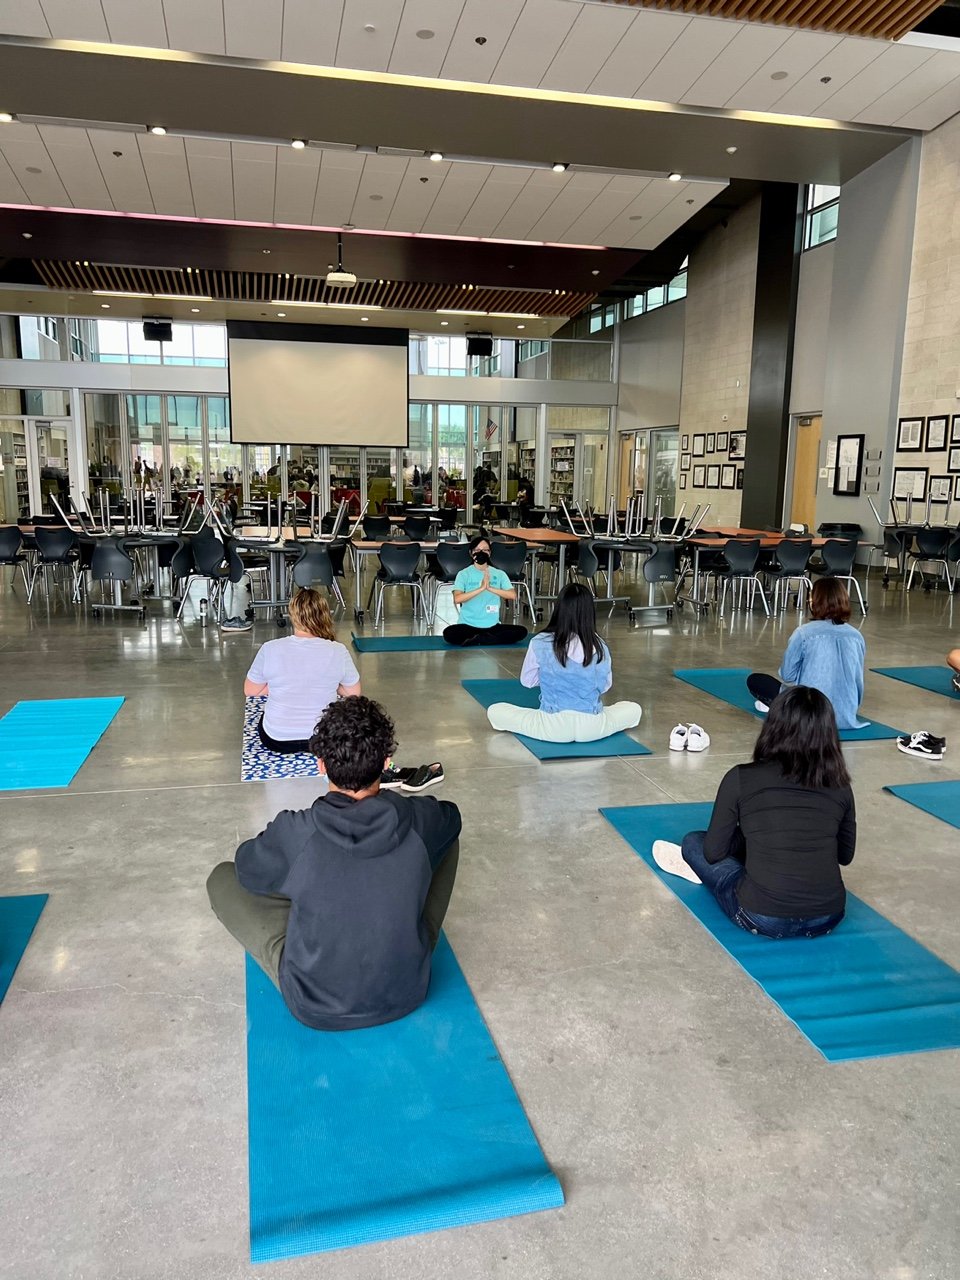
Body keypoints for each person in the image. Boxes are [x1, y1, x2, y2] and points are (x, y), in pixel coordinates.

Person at [207, 697, 461, 1030]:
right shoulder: (419, 820)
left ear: (321, 764)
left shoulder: (295, 832)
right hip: (407, 991)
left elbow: (247, 867)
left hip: (314, 1004)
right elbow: (452, 817)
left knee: (221, 877)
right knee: (446, 840)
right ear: (387, 762)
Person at [653, 686, 855, 940]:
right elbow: (845, 855)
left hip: (761, 917)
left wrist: (749, 834)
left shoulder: (741, 777)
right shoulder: (840, 784)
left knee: (693, 842)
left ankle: (714, 869)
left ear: (774, 726)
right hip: (828, 916)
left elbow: (713, 853)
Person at [486, 583, 641, 742]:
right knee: (634, 709)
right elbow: (604, 686)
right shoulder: (600, 646)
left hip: (551, 727)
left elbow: (527, 681)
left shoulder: (540, 642)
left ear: (559, 609)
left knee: (495, 710)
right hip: (592, 727)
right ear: (589, 612)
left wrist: (552, 676)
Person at [244, 588, 361, 753]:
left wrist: (282, 685)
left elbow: (250, 690)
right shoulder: (338, 650)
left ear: (292, 616)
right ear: (324, 616)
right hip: (323, 739)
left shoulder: (270, 648)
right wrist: (329, 684)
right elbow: (354, 693)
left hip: (277, 739)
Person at [746, 578, 866, 730]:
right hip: (846, 715)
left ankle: (779, 709)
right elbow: (858, 682)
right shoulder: (856, 636)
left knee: (755, 680)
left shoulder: (804, 633)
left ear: (815, 601)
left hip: (808, 714)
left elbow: (787, 675)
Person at [443, 534, 527, 647]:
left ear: (490, 553)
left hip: (492, 626)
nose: (481, 553)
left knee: (521, 632)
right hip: (468, 626)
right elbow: (457, 599)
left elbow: (512, 595)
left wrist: (490, 588)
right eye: (477, 550)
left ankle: (479, 639)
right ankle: (488, 640)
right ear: (471, 553)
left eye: (485, 550)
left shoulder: (499, 574)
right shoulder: (463, 574)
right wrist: (481, 588)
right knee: (449, 633)